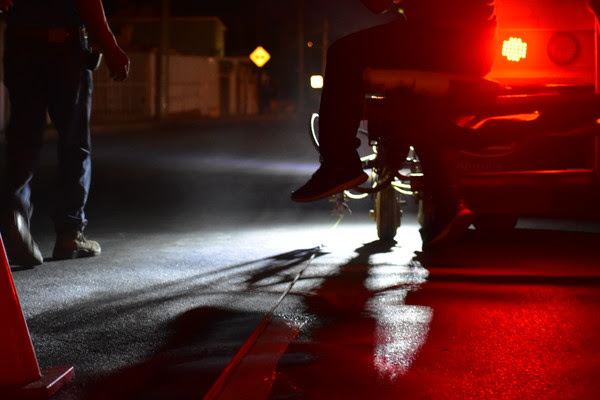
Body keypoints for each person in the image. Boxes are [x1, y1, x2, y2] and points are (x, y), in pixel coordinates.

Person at [291, 0, 497, 249]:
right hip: (477, 49)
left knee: (343, 53)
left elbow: (377, 4)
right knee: (415, 103)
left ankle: (339, 164)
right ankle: (449, 202)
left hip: (440, 39)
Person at [0, 0, 130, 266]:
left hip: (21, 43)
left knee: (23, 137)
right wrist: (110, 46)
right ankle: (70, 233)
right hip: (65, 47)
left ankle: (15, 217)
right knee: (74, 141)